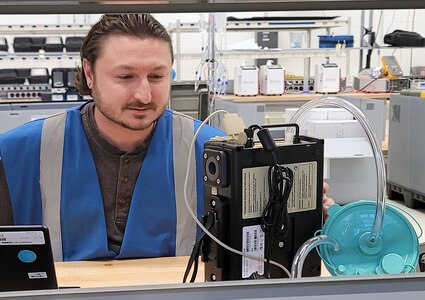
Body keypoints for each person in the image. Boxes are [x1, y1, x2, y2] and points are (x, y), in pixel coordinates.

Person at [0, 13, 334, 262]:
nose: (143, 95)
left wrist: (301, 216)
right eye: (126, 76)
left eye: (157, 76)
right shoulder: (21, 152)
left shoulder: (217, 151)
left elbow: (265, 249)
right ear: (89, 72)